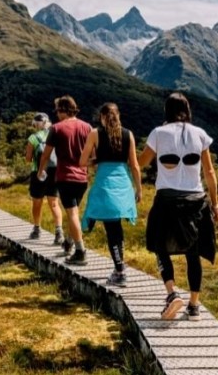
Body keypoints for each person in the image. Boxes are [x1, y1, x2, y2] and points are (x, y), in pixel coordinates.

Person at [138, 92, 218, 321]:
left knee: (159, 245)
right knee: (193, 254)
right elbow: (210, 172)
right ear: (187, 110)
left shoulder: (158, 133)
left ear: (166, 110)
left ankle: (172, 293)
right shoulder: (200, 134)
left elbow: (141, 162)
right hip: (195, 200)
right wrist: (215, 205)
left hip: (166, 198)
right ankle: (194, 306)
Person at [79, 102, 142, 287]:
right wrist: (139, 189)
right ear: (118, 116)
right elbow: (135, 165)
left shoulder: (95, 133)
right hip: (123, 185)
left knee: (111, 229)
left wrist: (99, 159)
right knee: (117, 228)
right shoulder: (128, 134)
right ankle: (119, 268)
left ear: (102, 117)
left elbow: (83, 161)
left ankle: (120, 270)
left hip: (105, 184)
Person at [37, 95, 91, 265]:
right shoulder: (87, 127)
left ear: (62, 110)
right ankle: (68, 242)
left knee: (72, 213)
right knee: (74, 213)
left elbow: (46, 154)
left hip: (65, 176)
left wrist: (40, 171)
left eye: (58, 111)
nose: (56, 114)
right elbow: (92, 154)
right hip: (82, 177)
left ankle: (80, 251)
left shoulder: (56, 128)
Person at [25, 112, 64, 244]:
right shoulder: (56, 135)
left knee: (37, 202)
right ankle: (59, 232)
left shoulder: (33, 138)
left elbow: (28, 159)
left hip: (38, 172)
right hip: (54, 172)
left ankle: (37, 229)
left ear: (36, 124)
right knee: (54, 203)